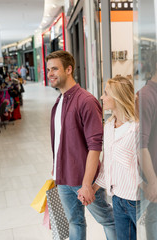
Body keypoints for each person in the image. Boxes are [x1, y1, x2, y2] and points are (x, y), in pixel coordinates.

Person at [46, 50, 116, 240]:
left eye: (54, 69)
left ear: (69, 69)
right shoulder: (59, 101)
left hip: (84, 179)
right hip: (63, 178)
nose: (50, 73)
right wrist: (56, 173)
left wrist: (86, 185)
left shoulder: (86, 101)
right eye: (48, 69)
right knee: (74, 223)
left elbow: (95, 146)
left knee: (108, 219)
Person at [78, 76, 141, 240]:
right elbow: (107, 166)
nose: (101, 97)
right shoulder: (108, 127)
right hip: (117, 199)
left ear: (118, 97)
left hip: (139, 201)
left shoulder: (138, 128)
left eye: (106, 93)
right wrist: (92, 189)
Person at [138, 52, 157, 239]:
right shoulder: (146, 96)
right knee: (151, 218)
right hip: (151, 175)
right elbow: (140, 145)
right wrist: (152, 181)